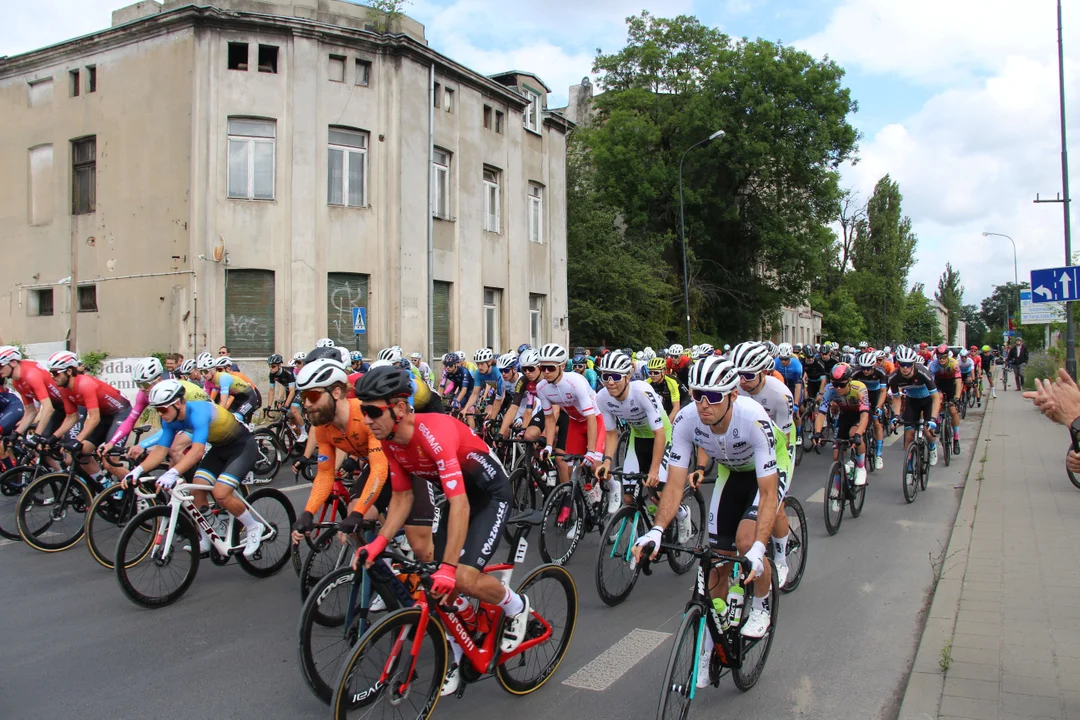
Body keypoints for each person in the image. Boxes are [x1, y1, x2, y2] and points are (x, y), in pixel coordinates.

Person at [351, 365, 529, 697]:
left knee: (460, 578)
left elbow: (459, 504)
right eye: (363, 411)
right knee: (436, 581)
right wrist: (377, 544)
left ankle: (516, 606)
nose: (367, 419)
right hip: (458, 496)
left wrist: (450, 568)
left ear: (400, 409)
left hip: (488, 495)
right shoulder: (389, 440)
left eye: (373, 411)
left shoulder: (433, 434)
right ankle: (457, 648)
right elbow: (403, 499)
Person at [633, 356, 784, 682]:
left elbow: (769, 494)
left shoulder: (753, 418)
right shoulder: (687, 419)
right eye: (697, 393)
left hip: (765, 473)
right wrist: (657, 531)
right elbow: (674, 485)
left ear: (732, 394)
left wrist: (760, 545)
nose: (703, 404)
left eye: (713, 396)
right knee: (717, 561)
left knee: (746, 543)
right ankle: (710, 644)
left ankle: (762, 604)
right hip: (732, 471)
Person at [290, 358, 435, 565]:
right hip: (384, 465)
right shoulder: (323, 427)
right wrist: (308, 512)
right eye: (303, 397)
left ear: (336, 392)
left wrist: (358, 513)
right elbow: (324, 474)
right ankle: (387, 579)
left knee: (422, 549)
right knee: (355, 525)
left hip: (411, 463)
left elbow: (378, 468)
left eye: (312, 396)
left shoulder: (365, 413)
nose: (306, 404)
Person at [122, 380, 265, 557]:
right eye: (157, 410)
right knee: (197, 489)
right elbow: (161, 450)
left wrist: (173, 472)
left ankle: (253, 526)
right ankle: (208, 535)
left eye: (163, 409)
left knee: (221, 494)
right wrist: (137, 471)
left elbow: (197, 452)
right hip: (219, 448)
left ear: (177, 403)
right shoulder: (170, 419)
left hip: (242, 447)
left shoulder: (199, 411)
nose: (161, 414)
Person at [594, 351, 673, 520]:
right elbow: (611, 433)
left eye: (615, 377)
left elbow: (659, 433)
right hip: (637, 439)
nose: (609, 382)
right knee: (629, 498)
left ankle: (680, 514)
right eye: (605, 376)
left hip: (662, 436)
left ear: (627, 377)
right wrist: (607, 462)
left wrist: (654, 470)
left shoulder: (642, 392)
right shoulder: (602, 398)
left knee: (657, 495)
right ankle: (640, 530)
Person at [266, 354, 307, 443]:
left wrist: (286, 405)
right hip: (290, 391)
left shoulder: (287, 372)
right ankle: (298, 434)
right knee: (288, 415)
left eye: (273, 366)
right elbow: (271, 390)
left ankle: (304, 433)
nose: (271, 369)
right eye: (270, 366)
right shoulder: (272, 374)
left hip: (299, 390)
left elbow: (292, 391)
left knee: (294, 410)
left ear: (279, 365)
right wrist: (268, 406)